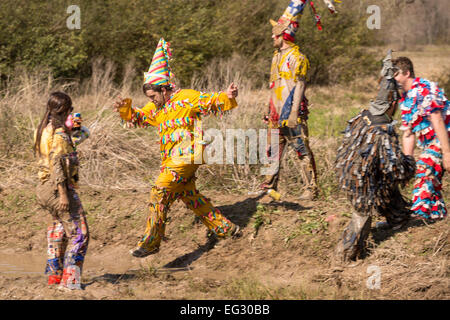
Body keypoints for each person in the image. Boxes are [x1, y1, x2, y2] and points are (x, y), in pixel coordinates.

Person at [114, 38, 241, 258]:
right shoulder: (157, 106)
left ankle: (151, 242)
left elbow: (210, 100)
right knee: (188, 195)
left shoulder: (187, 98)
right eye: (149, 98)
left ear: (164, 89)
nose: (152, 101)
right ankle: (226, 229)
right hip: (172, 160)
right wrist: (126, 110)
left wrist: (227, 97)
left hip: (187, 156)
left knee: (159, 191)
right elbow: (140, 117)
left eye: (154, 96)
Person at [333, 51, 416, 263]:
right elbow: (396, 170)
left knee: (384, 185)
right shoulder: (381, 131)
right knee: (361, 217)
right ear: (392, 105)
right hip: (359, 182)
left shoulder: (363, 117)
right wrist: (410, 159)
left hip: (348, 172)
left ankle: (397, 217)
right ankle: (342, 258)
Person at [260, 0, 319, 201]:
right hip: (275, 113)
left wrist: (294, 113)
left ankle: (310, 189)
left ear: (283, 34)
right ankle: (269, 188)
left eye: (274, 33)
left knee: (301, 150)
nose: (271, 36)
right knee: (272, 151)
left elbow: (300, 86)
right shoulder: (276, 56)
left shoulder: (298, 58)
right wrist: (268, 109)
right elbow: (273, 84)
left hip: (291, 112)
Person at [34, 92, 89, 289]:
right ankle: (70, 282)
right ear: (64, 111)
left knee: (58, 228)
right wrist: (64, 193)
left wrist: (74, 130)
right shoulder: (59, 134)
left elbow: (77, 139)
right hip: (58, 187)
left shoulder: (43, 129)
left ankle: (54, 275)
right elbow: (57, 162)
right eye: (70, 109)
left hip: (43, 187)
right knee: (79, 234)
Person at [394, 56, 450, 221]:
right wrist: (407, 164)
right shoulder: (405, 99)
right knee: (428, 176)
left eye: (396, 74)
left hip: (444, 137)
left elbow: (437, 120)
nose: (393, 79)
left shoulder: (423, 89)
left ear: (407, 73)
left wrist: (447, 153)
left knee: (424, 169)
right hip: (431, 143)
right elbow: (408, 134)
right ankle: (435, 216)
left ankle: (419, 216)